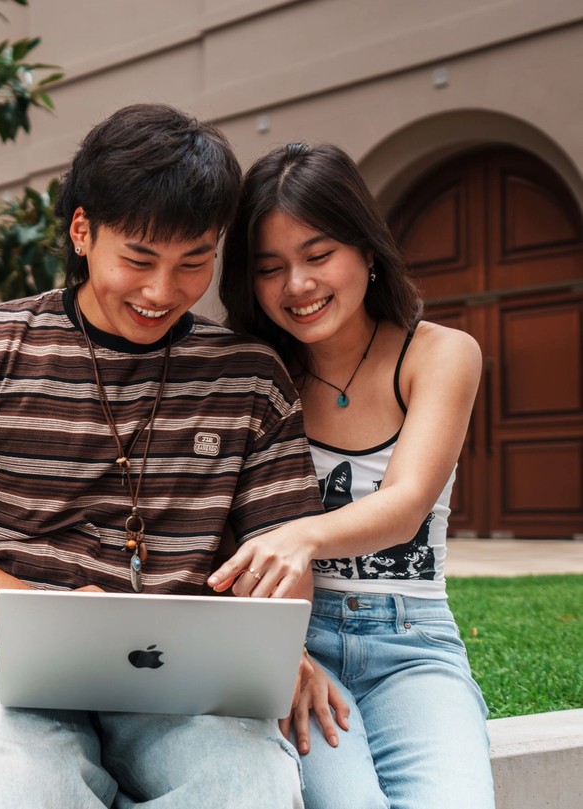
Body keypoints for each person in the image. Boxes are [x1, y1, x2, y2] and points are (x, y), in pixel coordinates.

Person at [0, 103, 326, 808]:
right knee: (9, 786)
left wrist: (275, 645)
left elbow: (281, 546)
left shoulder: (251, 376)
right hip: (0, 651)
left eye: (193, 263)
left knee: (252, 787)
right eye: (138, 258)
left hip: (188, 671)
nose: (161, 291)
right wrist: (44, 612)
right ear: (82, 230)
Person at [211, 142, 492, 808]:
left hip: (413, 640)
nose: (298, 286)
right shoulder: (251, 374)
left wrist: (301, 536)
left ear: (367, 249)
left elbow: (404, 502)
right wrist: (271, 653)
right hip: (293, 641)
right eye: (270, 267)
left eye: (318, 254)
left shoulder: (441, 353)